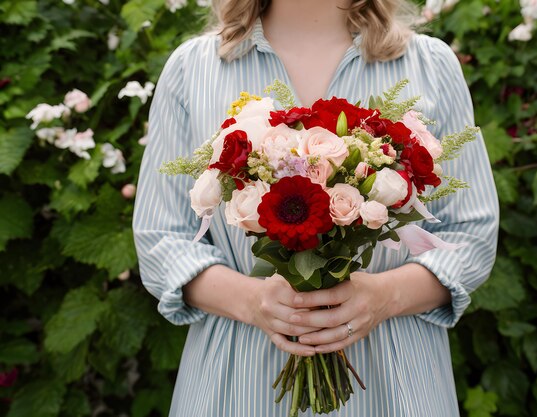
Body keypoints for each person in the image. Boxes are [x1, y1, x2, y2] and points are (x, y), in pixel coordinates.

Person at [132, 0, 499, 415]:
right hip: (238, 376)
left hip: (395, 377)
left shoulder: (430, 65)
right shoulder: (192, 69)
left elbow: (472, 233)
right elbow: (161, 237)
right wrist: (253, 302)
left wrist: (385, 296)